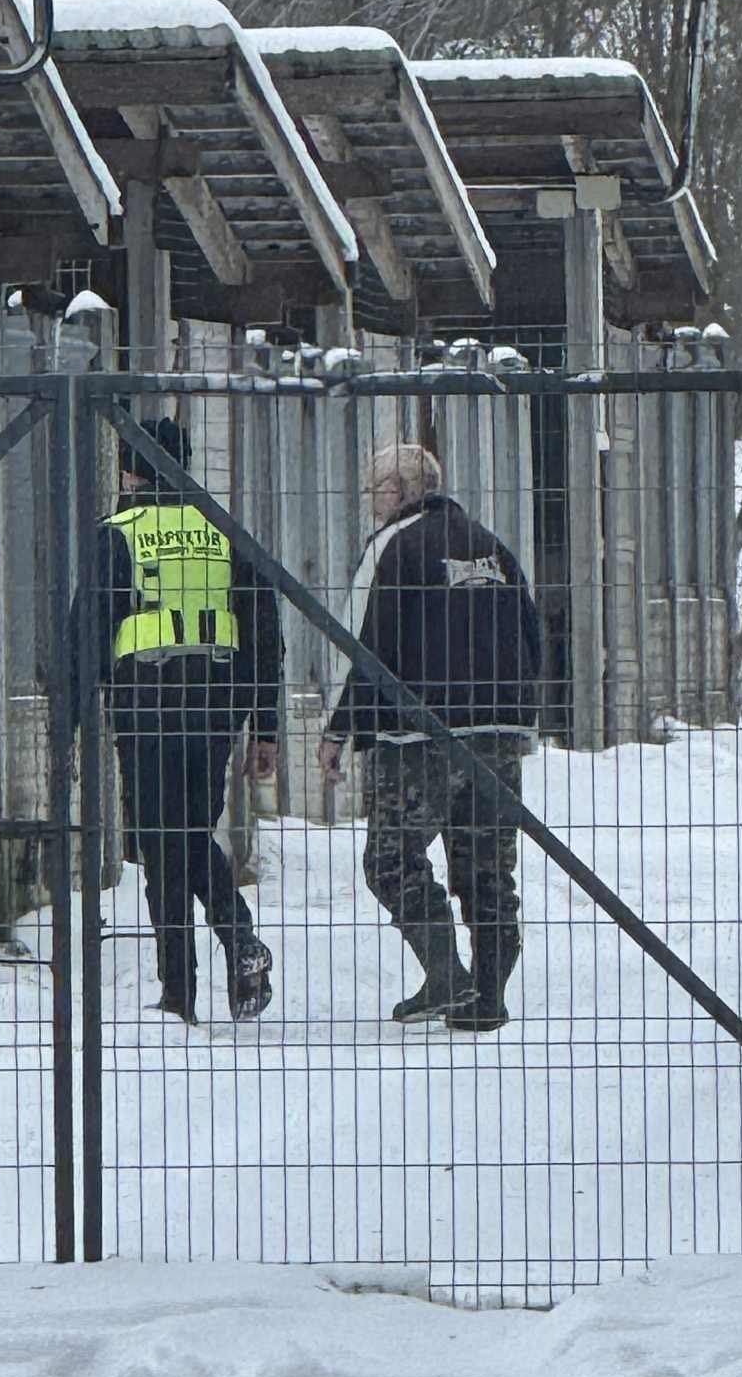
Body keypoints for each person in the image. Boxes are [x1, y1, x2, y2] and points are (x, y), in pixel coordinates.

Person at [319, 444, 541, 1033]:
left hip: (416, 735)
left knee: (390, 858)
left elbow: (359, 642)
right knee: (487, 867)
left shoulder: (393, 548)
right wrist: (519, 716)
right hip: (497, 733)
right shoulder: (494, 546)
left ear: (399, 490)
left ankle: (446, 973)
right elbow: (534, 635)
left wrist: (339, 727)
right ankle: (488, 994)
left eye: (375, 492)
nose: (371, 505)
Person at [72, 417, 282, 1024]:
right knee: (189, 832)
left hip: (146, 707)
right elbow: (266, 634)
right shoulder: (226, 530)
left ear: (131, 471)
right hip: (216, 706)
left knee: (163, 843)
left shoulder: (119, 532)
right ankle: (238, 943)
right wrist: (264, 724)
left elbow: (88, 627)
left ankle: (179, 995)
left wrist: (76, 716)